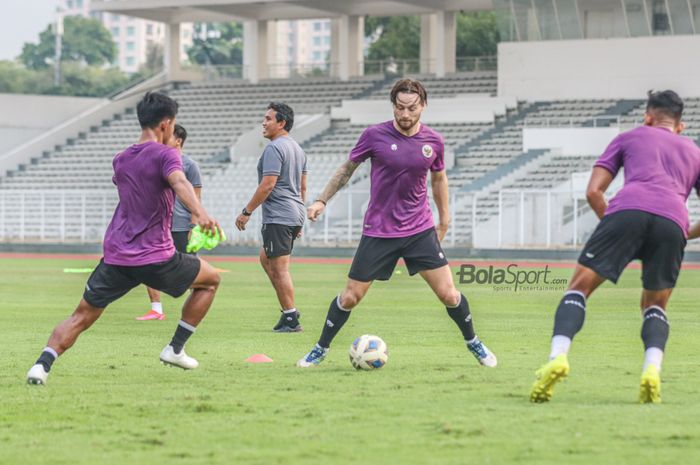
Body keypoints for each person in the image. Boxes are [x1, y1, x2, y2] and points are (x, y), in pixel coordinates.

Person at [296, 78, 497, 368]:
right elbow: (347, 169)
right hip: (379, 231)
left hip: (419, 230)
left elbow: (439, 179)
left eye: (411, 108)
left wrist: (445, 218)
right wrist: (321, 200)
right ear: (393, 105)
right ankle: (320, 349)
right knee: (351, 297)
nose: (405, 114)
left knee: (449, 294)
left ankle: (473, 342)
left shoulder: (433, 141)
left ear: (423, 106)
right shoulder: (374, 135)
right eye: (399, 108)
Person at [27, 92, 222, 385]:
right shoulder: (167, 153)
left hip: (117, 254)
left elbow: (131, 183)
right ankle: (175, 348)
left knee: (81, 315)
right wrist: (201, 213)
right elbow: (179, 181)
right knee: (210, 280)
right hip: (155, 255)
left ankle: (41, 366)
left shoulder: (120, 159)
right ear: (167, 124)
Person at [530, 90, 700, 404]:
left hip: (626, 212)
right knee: (654, 306)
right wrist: (683, 232)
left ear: (648, 117)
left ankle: (558, 357)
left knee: (578, 290)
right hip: (672, 222)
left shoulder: (630, 137)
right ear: (680, 125)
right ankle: (652, 369)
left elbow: (594, 192)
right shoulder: (694, 150)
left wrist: (616, 225)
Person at [235, 102, 307, 332]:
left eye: (268, 119)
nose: (263, 123)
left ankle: (291, 318)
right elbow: (302, 188)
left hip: (279, 215)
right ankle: (288, 310)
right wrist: (300, 217)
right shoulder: (298, 149)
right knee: (266, 259)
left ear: (281, 123)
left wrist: (246, 212)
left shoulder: (274, 149)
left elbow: (267, 186)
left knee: (280, 268)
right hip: (293, 213)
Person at [137, 123, 203, 321]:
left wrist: (194, 225)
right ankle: (156, 309)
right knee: (148, 264)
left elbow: (196, 198)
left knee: (192, 271)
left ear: (178, 141)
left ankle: (195, 308)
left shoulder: (190, 166)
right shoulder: (156, 162)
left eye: (167, 137)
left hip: (181, 225)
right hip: (157, 224)